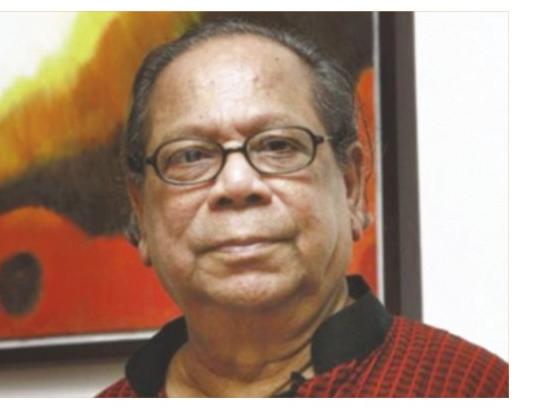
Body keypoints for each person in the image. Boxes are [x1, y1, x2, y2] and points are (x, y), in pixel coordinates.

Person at [97, 19, 508, 398]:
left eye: (278, 145)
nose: (237, 185)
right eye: (190, 156)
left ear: (350, 188)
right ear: (142, 212)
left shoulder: (474, 389)